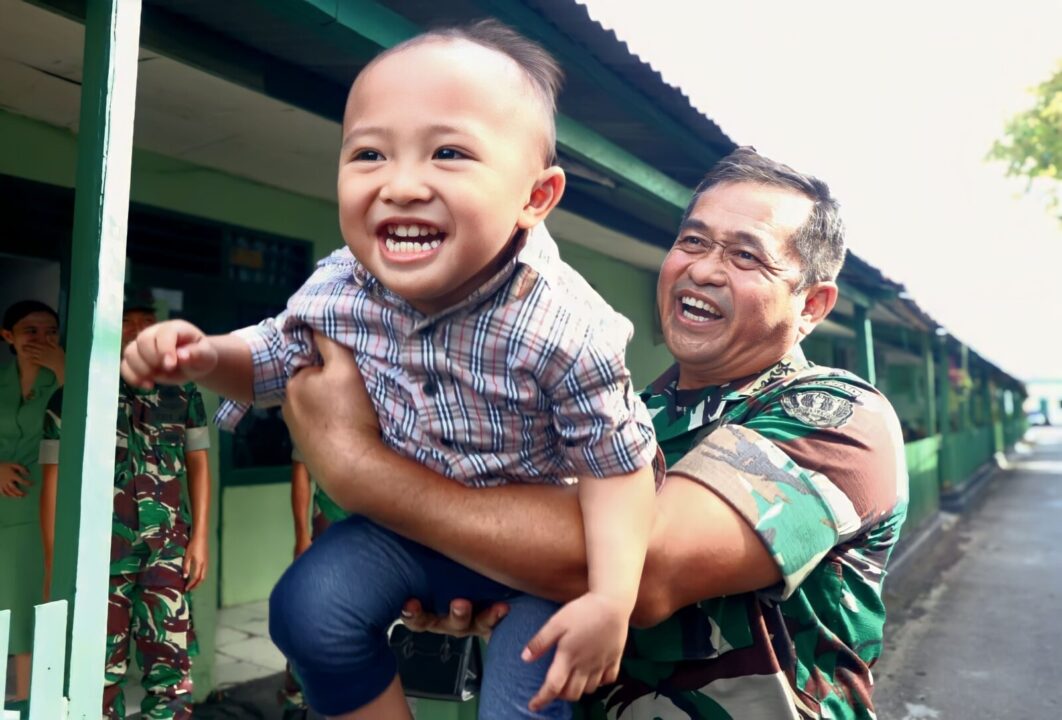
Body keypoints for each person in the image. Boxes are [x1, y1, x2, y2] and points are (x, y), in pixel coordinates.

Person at [119, 20, 659, 720]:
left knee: (530, 689)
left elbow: (617, 464)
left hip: (534, 549)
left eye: (449, 153)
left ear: (536, 197)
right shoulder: (340, 287)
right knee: (307, 610)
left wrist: (611, 600)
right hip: (402, 539)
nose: (401, 185)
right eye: (369, 154)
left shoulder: (565, 326)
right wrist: (204, 355)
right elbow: (274, 361)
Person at [280, 148, 909, 720]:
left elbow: (645, 567)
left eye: (746, 255)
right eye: (693, 242)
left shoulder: (839, 418)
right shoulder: (630, 410)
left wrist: (358, 469)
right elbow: (528, 535)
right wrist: (474, 574)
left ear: (813, 306)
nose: (705, 270)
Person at [39, 288, 211, 720]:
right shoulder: (74, 395)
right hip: (100, 555)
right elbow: (53, 483)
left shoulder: (183, 390)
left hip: (168, 549)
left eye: (145, 321)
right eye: (126, 321)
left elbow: (198, 465)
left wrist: (201, 538)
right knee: (96, 673)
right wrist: (54, 561)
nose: (136, 330)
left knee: (171, 669)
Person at [0, 300, 63, 709]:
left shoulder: (63, 383)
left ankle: (26, 704)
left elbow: (91, 420)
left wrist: (64, 367)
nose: (41, 340)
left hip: (39, 512)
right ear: (8, 337)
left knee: (25, 611)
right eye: (30, 331)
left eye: (50, 332)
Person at [278, 446, 348, 720]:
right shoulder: (318, 403)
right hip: (328, 527)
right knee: (308, 617)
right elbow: (301, 468)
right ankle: (296, 700)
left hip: (374, 530)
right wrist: (302, 536)